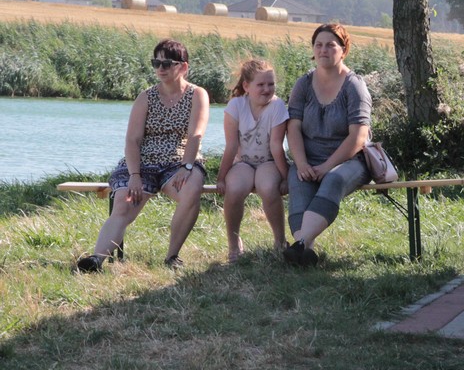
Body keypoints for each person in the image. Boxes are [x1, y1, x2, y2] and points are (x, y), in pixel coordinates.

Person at [76, 39, 210, 272]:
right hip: (142, 163)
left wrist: (187, 167)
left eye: (167, 63)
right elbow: (132, 140)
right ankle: (96, 259)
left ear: (183, 67)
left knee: (192, 190)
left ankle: (172, 256)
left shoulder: (198, 94)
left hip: (179, 162)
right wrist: (134, 175)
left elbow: (195, 135)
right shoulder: (146, 97)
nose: (161, 68)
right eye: (156, 63)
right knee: (123, 205)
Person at [284, 23, 372, 267]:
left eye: (331, 45)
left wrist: (327, 167)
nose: (324, 50)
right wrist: (301, 164)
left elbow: (358, 137)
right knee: (299, 180)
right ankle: (304, 250)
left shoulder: (354, 86)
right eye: (318, 45)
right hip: (308, 160)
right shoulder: (303, 84)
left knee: (333, 179)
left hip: (350, 161)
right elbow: (293, 127)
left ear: (343, 50)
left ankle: (299, 245)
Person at [216, 58, 290, 263]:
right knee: (235, 189)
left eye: (271, 84)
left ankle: (279, 241)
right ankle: (234, 244)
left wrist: (285, 178)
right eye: (261, 85)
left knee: (268, 188)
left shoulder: (277, 106)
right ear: (246, 86)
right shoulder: (235, 106)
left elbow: (276, 146)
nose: (267, 89)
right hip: (243, 162)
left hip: (268, 161)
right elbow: (231, 146)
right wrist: (221, 177)